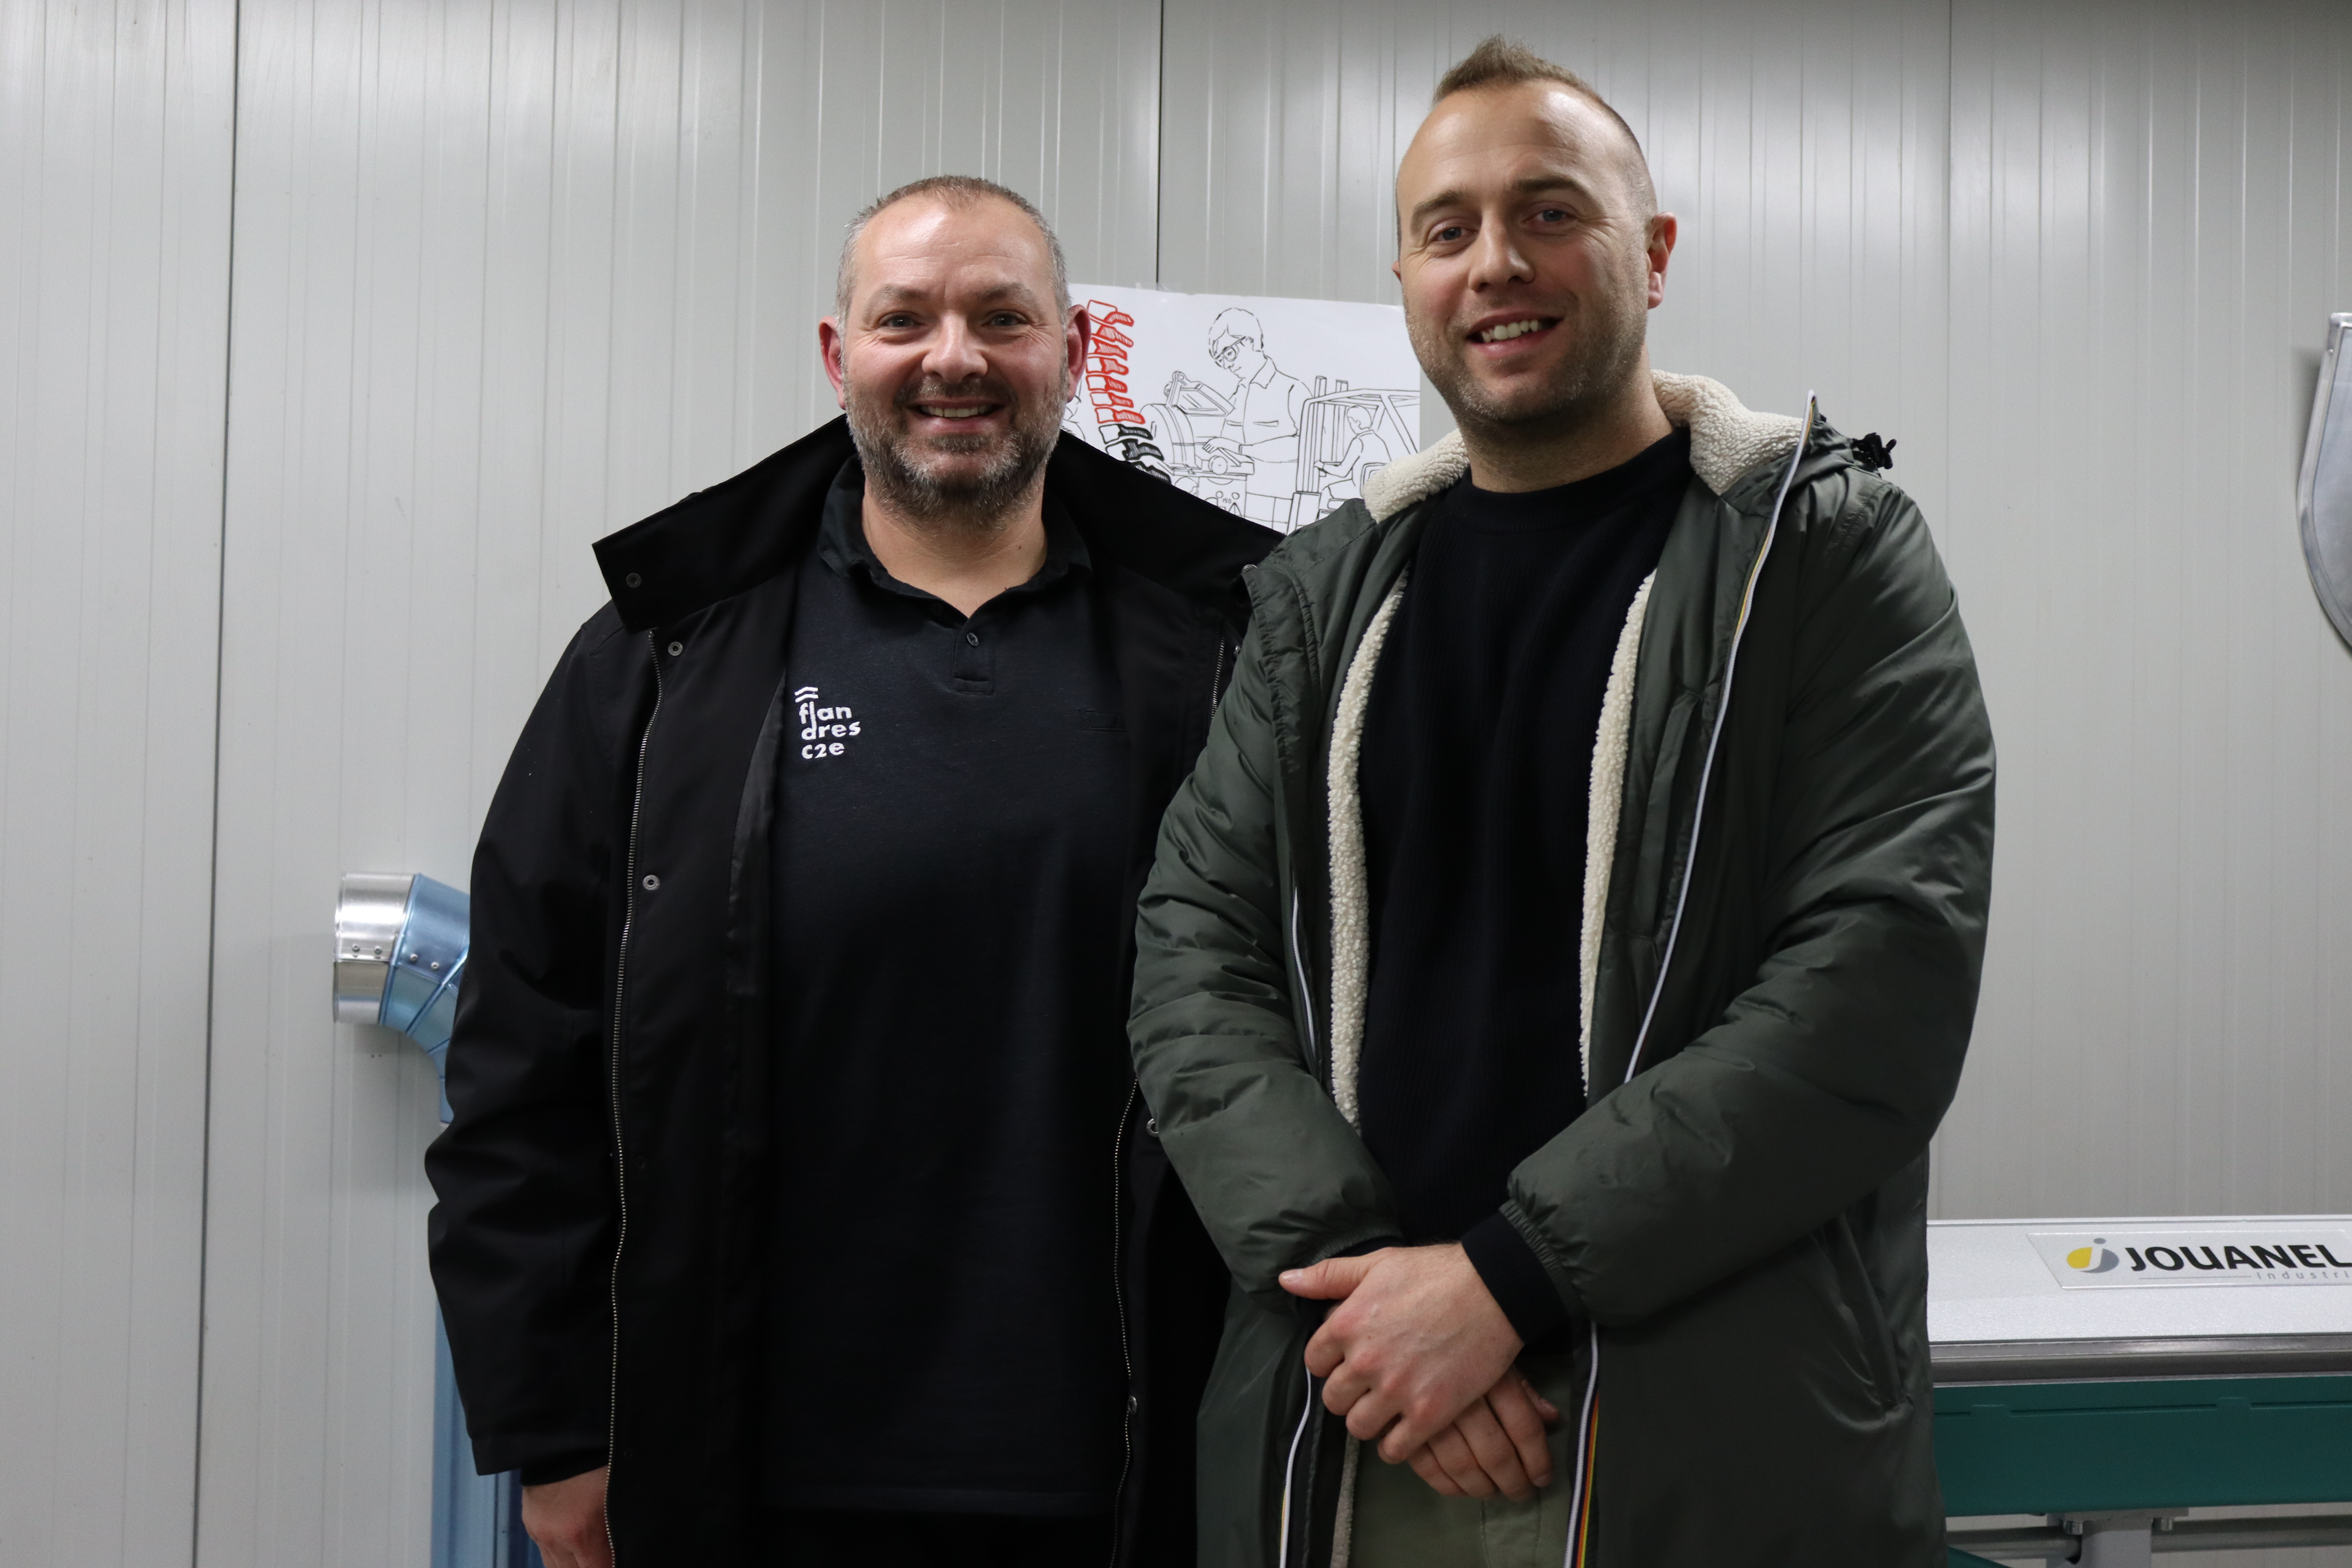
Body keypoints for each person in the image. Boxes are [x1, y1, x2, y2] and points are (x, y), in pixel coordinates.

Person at [1127, 36, 1994, 1568]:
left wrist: (1508, 1279)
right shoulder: (1320, 601)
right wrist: (1367, 1286)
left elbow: (1878, 980)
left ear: (1653, 252)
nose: (1495, 262)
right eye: (1446, 228)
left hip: (1708, 1435)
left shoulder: (1819, 557)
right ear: (1406, 277)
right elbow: (1195, 960)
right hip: (1358, 1421)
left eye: (1550, 211)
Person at [426, 174, 1273, 1568]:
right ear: (839, 355)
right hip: (748, 1461)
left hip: (1135, 1460)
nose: (954, 357)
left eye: (1002, 317)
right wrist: (558, 1419)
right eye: (905, 318)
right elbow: (525, 1052)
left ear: (1070, 348)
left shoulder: (1233, 652)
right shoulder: (667, 661)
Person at [1205, 308, 1308, 526]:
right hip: (1239, 500)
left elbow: (1308, 448)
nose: (1227, 365)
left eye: (1229, 354)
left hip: (1281, 502)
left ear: (1251, 342)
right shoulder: (1237, 395)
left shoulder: (1292, 390)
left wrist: (1241, 449)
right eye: (1220, 360)